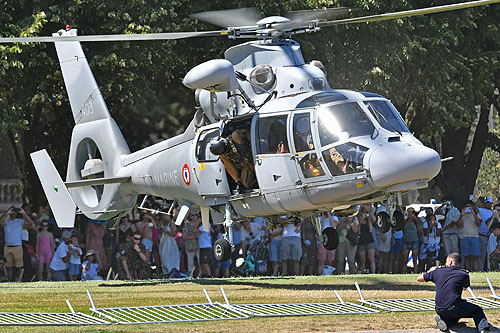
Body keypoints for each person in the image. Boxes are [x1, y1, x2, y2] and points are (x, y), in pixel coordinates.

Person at [417, 253, 491, 332]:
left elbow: (419, 278)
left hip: (439, 308)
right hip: (454, 307)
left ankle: (444, 321)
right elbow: (465, 287)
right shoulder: (463, 274)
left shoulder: (438, 272)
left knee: (455, 312)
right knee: (477, 310)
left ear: (450, 262)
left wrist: (430, 271)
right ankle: (483, 329)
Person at [0, 206, 35, 281]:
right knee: (9, 266)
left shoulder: (20, 221)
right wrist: (7, 213)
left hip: (17, 246)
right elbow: (1, 222)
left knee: (19, 266)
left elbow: (32, 224)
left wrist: (24, 214)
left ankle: (19, 280)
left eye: (14, 212)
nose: (13, 213)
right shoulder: (6, 222)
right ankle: (10, 280)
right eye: (12, 212)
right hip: (7, 246)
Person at [457, 200, 481, 271]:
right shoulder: (461, 215)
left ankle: (476, 272)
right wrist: (462, 215)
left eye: (469, 207)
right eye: (466, 207)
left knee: (475, 256)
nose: (468, 208)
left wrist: (473, 213)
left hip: (475, 237)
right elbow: (459, 225)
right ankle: (468, 271)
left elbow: (479, 224)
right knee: (466, 256)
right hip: (464, 237)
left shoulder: (476, 214)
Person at [159, 213, 181, 278]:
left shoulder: (171, 223)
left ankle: (172, 271)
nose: (164, 217)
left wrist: (165, 230)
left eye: (165, 215)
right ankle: (166, 272)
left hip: (169, 242)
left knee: (169, 257)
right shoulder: (164, 223)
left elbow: (173, 234)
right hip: (164, 241)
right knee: (163, 257)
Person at [357, 205, 376, 274]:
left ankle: (373, 273)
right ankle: (362, 273)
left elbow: (374, 220)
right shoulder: (358, 219)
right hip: (361, 241)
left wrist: (370, 212)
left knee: (371, 258)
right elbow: (357, 227)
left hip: (370, 240)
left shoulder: (369, 220)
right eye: (363, 212)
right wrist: (361, 217)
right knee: (362, 260)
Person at [182, 211, 200, 277]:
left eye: (196, 215)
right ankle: (190, 276)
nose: (194, 217)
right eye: (193, 215)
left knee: (200, 261)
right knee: (190, 262)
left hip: (199, 245)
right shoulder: (187, 224)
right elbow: (184, 236)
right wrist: (193, 237)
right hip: (189, 246)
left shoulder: (201, 224)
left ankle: (200, 275)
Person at [402, 207, 420, 273]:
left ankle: (415, 272)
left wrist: (413, 217)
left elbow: (418, 223)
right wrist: (406, 218)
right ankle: (404, 272)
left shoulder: (415, 220)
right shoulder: (405, 220)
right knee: (405, 259)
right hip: (406, 240)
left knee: (415, 258)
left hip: (415, 240)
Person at [477, 197, 493, 271]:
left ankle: (490, 269)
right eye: (486, 203)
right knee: (481, 256)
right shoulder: (480, 210)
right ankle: (481, 270)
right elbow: (475, 208)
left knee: (490, 254)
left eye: (489, 203)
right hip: (482, 236)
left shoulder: (493, 212)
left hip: (491, 237)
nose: (487, 204)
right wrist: (477, 201)